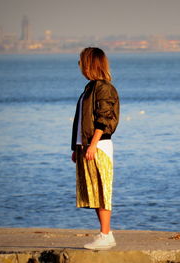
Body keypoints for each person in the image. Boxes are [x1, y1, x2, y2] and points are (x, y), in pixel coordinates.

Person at [71, 47, 120, 250]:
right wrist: (76, 147)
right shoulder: (90, 87)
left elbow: (104, 118)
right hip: (88, 146)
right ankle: (104, 233)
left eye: (82, 61)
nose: (79, 65)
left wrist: (92, 144)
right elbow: (82, 120)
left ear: (91, 63)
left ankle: (106, 235)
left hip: (99, 146)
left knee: (102, 191)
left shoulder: (104, 88)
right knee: (92, 192)